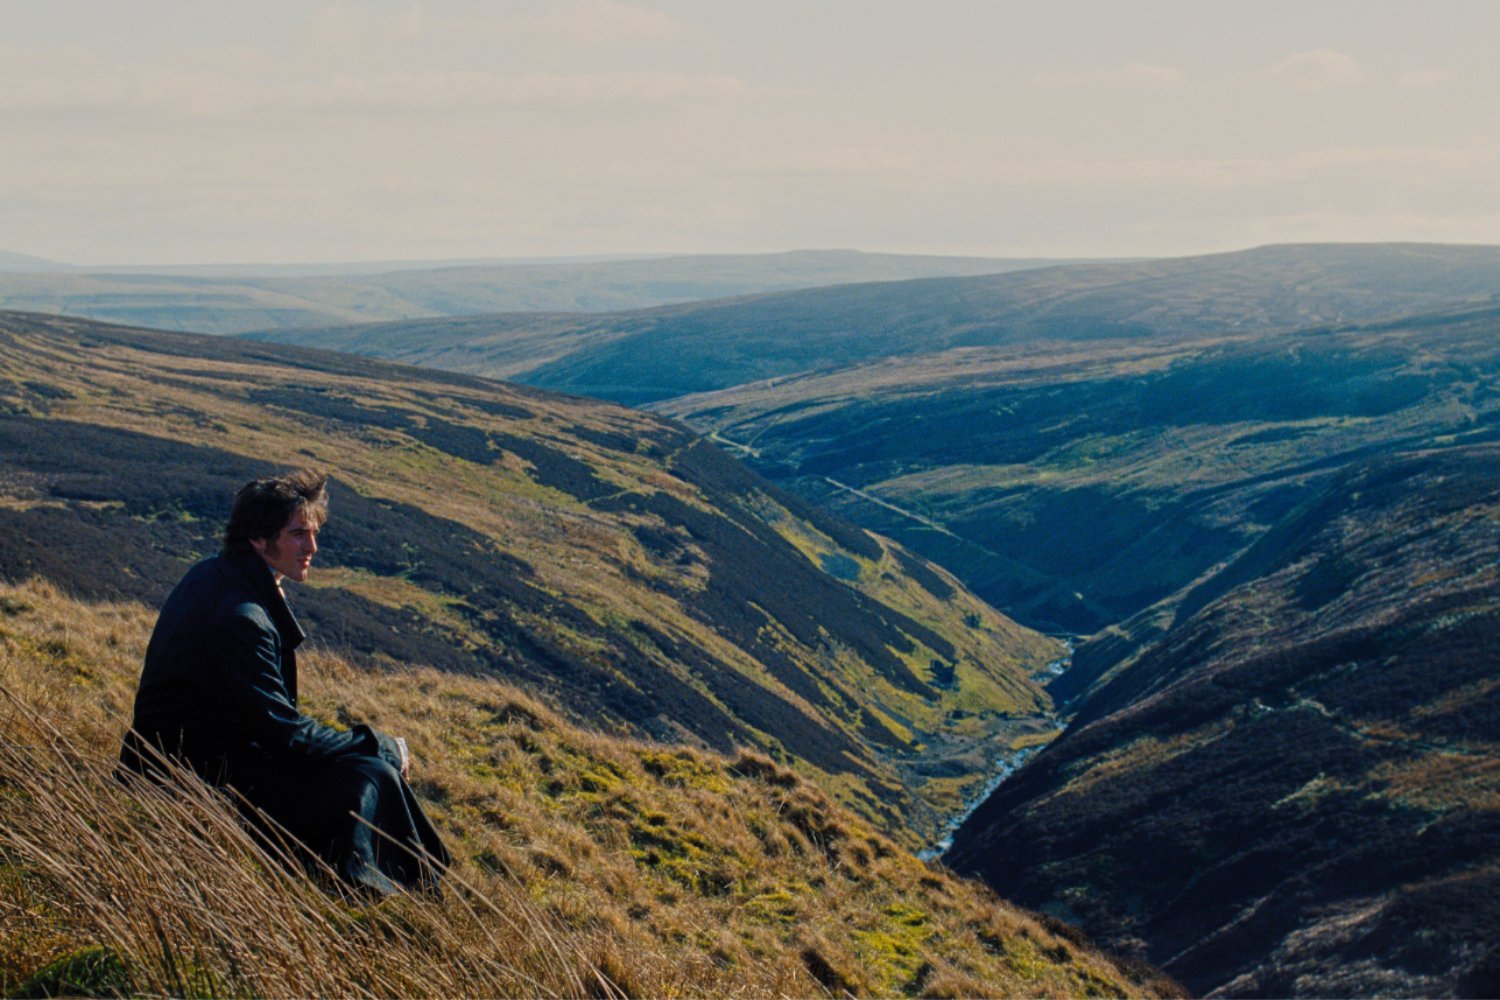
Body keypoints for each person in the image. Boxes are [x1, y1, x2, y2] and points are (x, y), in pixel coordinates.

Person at [119, 468, 449, 896]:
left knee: (362, 768)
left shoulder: (213, 574)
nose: (311, 547)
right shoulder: (242, 619)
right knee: (369, 774)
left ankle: (393, 886)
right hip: (191, 782)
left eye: (313, 533)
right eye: (297, 534)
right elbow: (285, 736)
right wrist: (380, 745)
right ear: (258, 538)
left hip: (183, 763)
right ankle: (383, 891)